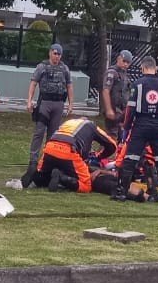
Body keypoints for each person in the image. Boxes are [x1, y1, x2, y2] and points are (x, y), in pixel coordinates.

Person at [116, 56, 158, 204]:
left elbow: (130, 109)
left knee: (131, 158)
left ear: (143, 68)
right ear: (155, 68)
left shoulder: (137, 85)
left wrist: (126, 128)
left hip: (141, 125)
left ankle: (122, 194)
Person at [22, 43, 75, 184]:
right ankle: (33, 161)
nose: (56, 56)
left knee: (53, 135)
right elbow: (33, 83)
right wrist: (29, 100)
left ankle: (47, 161)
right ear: (50, 53)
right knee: (39, 132)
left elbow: (69, 86)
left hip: (58, 103)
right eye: (54, 53)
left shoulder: (64, 69)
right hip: (45, 102)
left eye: (59, 54)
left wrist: (71, 104)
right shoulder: (42, 67)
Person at [31, 116, 118, 193]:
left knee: (43, 174)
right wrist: (99, 156)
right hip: (69, 150)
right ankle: (63, 178)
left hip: (49, 149)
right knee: (87, 186)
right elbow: (112, 145)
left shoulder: (68, 123)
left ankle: (35, 174)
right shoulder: (91, 125)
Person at [102, 50, 134, 134]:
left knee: (121, 136)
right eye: (124, 61)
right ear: (118, 59)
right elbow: (106, 91)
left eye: (128, 62)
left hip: (122, 112)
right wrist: (108, 110)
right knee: (112, 136)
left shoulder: (125, 75)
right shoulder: (112, 72)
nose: (126, 64)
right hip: (113, 110)